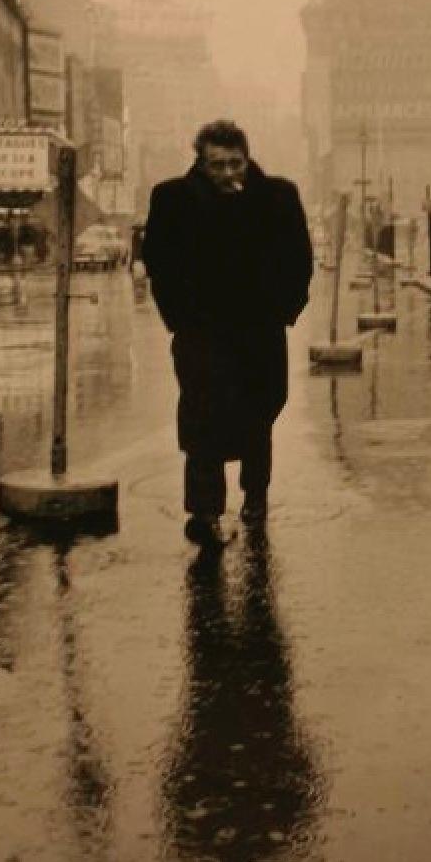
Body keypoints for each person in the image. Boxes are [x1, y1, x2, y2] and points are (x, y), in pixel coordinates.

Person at [142, 120, 313, 548]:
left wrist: (285, 310)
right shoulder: (173, 198)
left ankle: (255, 493)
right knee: (202, 416)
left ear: (247, 158)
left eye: (235, 163)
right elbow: (158, 262)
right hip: (202, 330)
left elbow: (299, 257)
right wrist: (178, 319)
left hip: (260, 329)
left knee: (261, 409)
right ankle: (205, 512)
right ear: (201, 162)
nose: (228, 173)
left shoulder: (276, 196)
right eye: (217, 165)